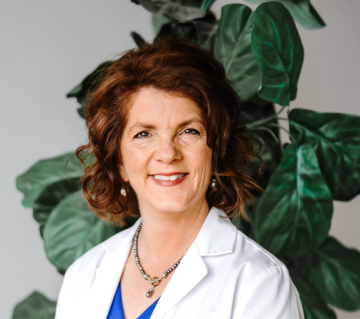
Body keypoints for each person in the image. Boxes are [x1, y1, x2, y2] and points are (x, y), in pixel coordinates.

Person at [55, 37, 304, 319]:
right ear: (120, 163)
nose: (167, 153)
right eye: (143, 134)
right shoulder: (83, 275)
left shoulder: (260, 283)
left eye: (189, 131)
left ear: (216, 151)